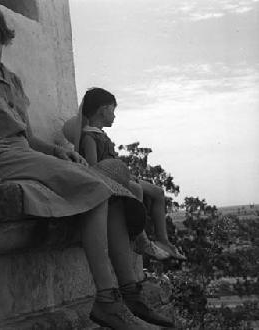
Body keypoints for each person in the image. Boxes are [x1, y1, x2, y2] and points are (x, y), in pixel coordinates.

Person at [0, 3, 173, 328]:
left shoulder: (11, 81)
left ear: (3, 38)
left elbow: (28, 137)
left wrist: (60, 154)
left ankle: (130, 295)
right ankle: (106, 300)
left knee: (114, 195)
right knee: (97, 187)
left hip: (25, 155)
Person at [63, 87, 186, 261]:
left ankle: (163, 240)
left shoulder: (100, 135)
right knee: (137, 189)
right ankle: (141, 239)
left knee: (158, 192)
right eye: (113, 110)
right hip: (110, 180)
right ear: (103, 109)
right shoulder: (90, 137)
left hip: (120, 177)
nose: (114, 115)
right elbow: (93, 168)